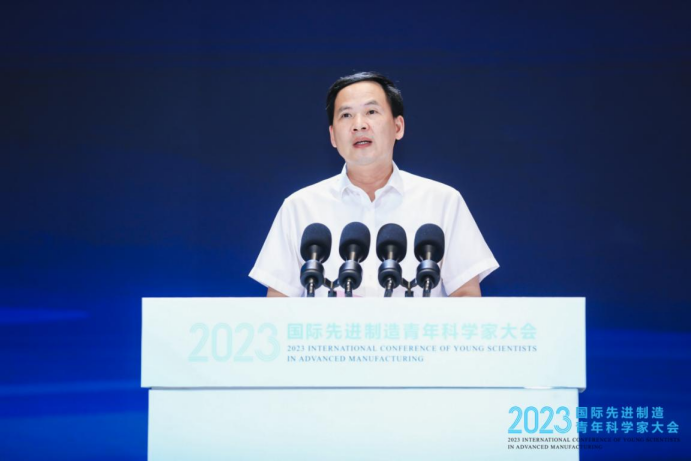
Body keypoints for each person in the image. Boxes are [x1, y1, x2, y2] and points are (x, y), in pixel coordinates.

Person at [250, 72, 498, 297]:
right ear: (333, 136)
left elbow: (466, 295)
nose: (359, 124)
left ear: (398, 127)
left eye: (371, 112)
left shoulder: (443, 201)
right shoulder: (299, 207)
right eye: (346, 115)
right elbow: (278, 305)